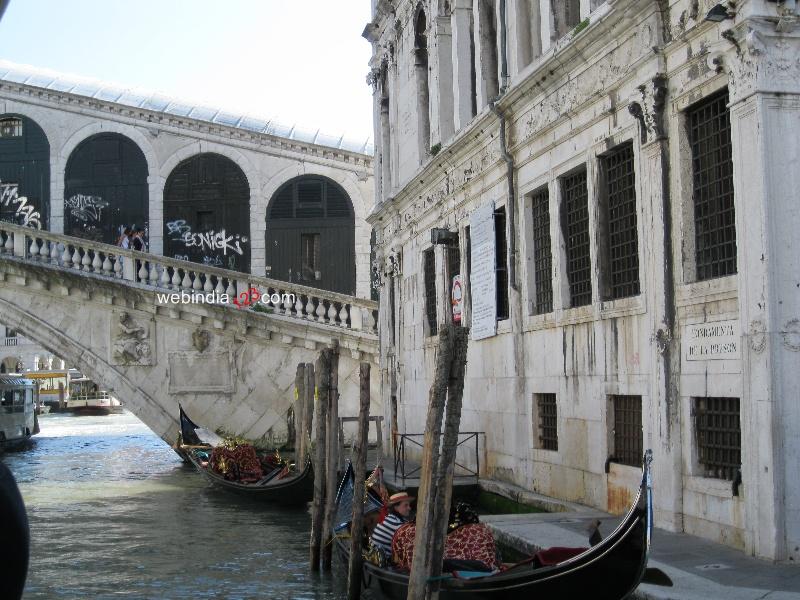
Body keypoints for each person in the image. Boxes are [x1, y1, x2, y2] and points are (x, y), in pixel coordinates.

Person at [370, 491, 414, 557]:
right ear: (396, 508)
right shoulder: (395, 523)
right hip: (384, 563)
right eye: (406, 505)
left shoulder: (390, 518)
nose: (409, 508)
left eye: (409, 505)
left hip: (376, 556)